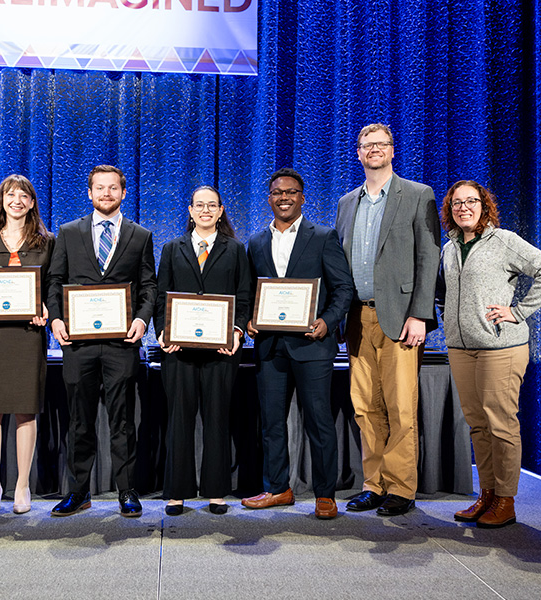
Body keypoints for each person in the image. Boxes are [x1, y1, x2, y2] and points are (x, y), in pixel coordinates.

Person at [436, 180, 541, 528]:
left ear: (484, 205)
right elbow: (443, 293)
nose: (464, 207)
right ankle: (487, 494)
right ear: (450, 209)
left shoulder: (503, 241)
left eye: (471, 201)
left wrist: (518, 311)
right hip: (462, 348)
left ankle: (506, 500)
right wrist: (447, 318)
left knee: (501, 423)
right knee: (478, 425)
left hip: (499, 348)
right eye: (457, 202)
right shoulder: (449, 248)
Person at [335, 123, 440, 516]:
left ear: (392, 150)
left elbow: (429, 258)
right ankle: (373, 484)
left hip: (400, 318)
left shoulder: (417, 195)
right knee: (365, 407)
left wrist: (420, 315)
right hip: (358, 319)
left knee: (400, 407)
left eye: (381, 144)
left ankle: (401, 488)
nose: (374, 150)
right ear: (358, 153)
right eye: (367, 145)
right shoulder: (347, 202)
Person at [242, 168, 354, 520]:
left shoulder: (322, 236)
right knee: (272, 423)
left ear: (302, 197)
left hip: (312, 346)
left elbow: (343, 289)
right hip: (271, 347)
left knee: (319, 421)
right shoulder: (257, 242)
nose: (284, 197)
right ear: (270, 198)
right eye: (277, 192)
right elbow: (249, 291)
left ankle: (325, 494)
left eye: (291, 192)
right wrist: (246, 319)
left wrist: (327, 322)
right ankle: (278, 489)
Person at [46, 164, 157, 518]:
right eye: (100, 188)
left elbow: (149, 285)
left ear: (124, 193)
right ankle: (79, 491)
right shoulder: (68, 232)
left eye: (113, 188)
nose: (106, 194)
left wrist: (142, 319)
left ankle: (126, 490)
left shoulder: (140, 235)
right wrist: (56, 318)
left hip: (122, 343)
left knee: (122, 422)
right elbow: (55, 280)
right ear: (89, 193)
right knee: (80, 421)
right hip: (78, 344)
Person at [155, 186, 250, 516]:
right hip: (179, 350)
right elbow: (159, 296)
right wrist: (163, 330)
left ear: (221, 210)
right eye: (200, 205)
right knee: (178, 420)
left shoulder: (236, 250)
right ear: (191, 211)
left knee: (217, 419)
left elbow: (245, 295)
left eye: (212, 205)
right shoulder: (171, 248)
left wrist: (237, 331)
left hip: (221, 351)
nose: (206, 210)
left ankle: (216, 491)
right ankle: (176, 493)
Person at [0, 175, 54, 516]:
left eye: (24, 195)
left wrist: (47, 307)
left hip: (28, 336)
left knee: (24, 409)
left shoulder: (48, 242)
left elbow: (53, 286)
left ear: (32, 203)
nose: (16, 200)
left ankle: (22, 485)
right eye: (10, 194)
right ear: (1, 200)